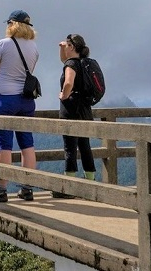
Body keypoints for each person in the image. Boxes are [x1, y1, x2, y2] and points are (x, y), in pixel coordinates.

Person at [0, 9, 39, 202]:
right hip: (26, 100)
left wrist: (5, 81)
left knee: (3, 145)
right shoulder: (34, 47)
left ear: (12, 24)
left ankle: (1, 189)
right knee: (27, 143)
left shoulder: (3, 44)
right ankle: (27, 188)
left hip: (5, 98)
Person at [52, 33, 97, 199]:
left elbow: (69, 82)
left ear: (72, 47)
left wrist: (63, 95)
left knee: (70, 148)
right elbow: (64, 60)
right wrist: (62, 48)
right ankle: (90, 183)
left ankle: (69, 187)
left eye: (67, 45)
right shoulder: (83, 63)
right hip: (84, 111)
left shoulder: (71, 64)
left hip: (71, 111)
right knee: (85, 146)